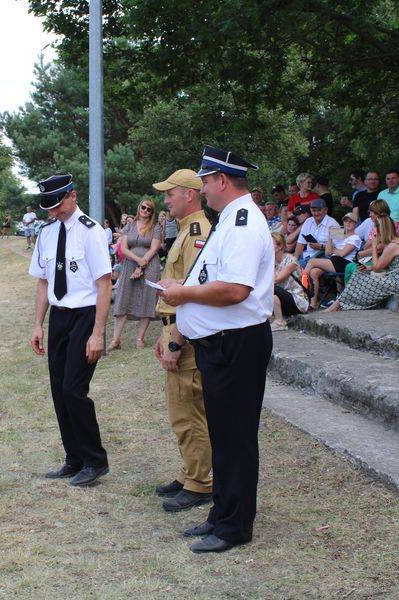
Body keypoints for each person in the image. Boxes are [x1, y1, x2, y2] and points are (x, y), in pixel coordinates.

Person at [159, 145, 274, 554]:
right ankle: (221, 513)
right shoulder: (230, 219)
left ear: (222, 180)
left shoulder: (243, 222)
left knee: (235, 438)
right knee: (223, 436)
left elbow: (235, 289)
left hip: (236, 343)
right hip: (220, 343)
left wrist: (182, 293)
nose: (202, 189)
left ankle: (233, 527)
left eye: (206, 181)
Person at [29, 174, 112, 487]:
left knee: (73, 390)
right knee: (58, 390)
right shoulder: (46, 233)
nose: (53, 212)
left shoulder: (91, 232)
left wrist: (98, 332)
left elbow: (104, 283)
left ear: (73, 196)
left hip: (85, 316)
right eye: (48, 207)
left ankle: (95, 460)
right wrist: (38, 324)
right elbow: (43, 281)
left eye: (57, 205)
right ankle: (74, 457)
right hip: (59, 317)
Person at [151, 168, 213, 513]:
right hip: (174, 327)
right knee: (181, 411)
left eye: (170, 194)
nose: (166, 201)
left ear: (190, 194)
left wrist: (175, 341)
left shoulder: (198, 232)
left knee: (188, 413)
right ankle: (190, 472)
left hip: (183, 332)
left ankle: (200, 483)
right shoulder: (187, 231)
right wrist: (165, 335)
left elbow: (191, 293)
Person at [325, 213, 399, 312]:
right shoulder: (395, 241)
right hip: (398, 279)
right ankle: (341, 304)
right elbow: (384, 265)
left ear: (382, 229)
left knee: (360, 278)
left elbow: (377, 268)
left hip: (398, 282)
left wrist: (374, 246)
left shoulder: (392, 246)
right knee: (359, 273)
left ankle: (339, 305)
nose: (374, 232)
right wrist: (368, 268)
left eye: (376, 228)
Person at [109, 198, 163, 350]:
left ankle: (140, 338)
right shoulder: (130, 226)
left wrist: (143, 262)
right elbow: (124, 248)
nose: (145, 210)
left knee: (147, 298)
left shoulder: (156, 227)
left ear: (152, 212)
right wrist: (138, 260)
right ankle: (115, 339)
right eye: (143, 207)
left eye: (149, 209)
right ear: (139, 207)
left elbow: (154, 248)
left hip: (150, 264)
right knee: (123, 297)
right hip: (130, 264)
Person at [304, 212, 360, 310]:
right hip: (334, 260)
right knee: (314, 272)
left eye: (351, 221)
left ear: (355, 224)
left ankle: (301, 287)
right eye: (346, 221)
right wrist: (330, 236)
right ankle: (313, 304)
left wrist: (333, 250)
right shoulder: (340, 234)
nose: (347, 223)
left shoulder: (355, 237)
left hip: (344, 263)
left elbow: (342, 254)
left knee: (312, 261)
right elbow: (327, 252)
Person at [271, 232, 308, 330]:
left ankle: (280, 322)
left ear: (280, 246)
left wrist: (269, 264)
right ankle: (273, 318)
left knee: (271, 288)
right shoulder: (272, 261)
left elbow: (276, 280)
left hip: (297, 301)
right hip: (284, 298)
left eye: (270, 244)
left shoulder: (291, 261)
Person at [293, 198, 340, 268]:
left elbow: (340, 248)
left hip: (324, 259)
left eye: (319, 210)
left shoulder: (334, 224)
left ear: (326, 210)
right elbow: (300, 243)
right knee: (289, 264)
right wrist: (294, 261)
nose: (316, 213)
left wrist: (321, 247)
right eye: (314, 210)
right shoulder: (308, 221)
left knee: (292, 269)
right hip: (306, 256)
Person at [378, 169, 399, 240]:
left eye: (393, 178)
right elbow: (378, 213)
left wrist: (397, 238)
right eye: (388, 179)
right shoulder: (382, 194)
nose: (390, 181)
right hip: (386, 228)